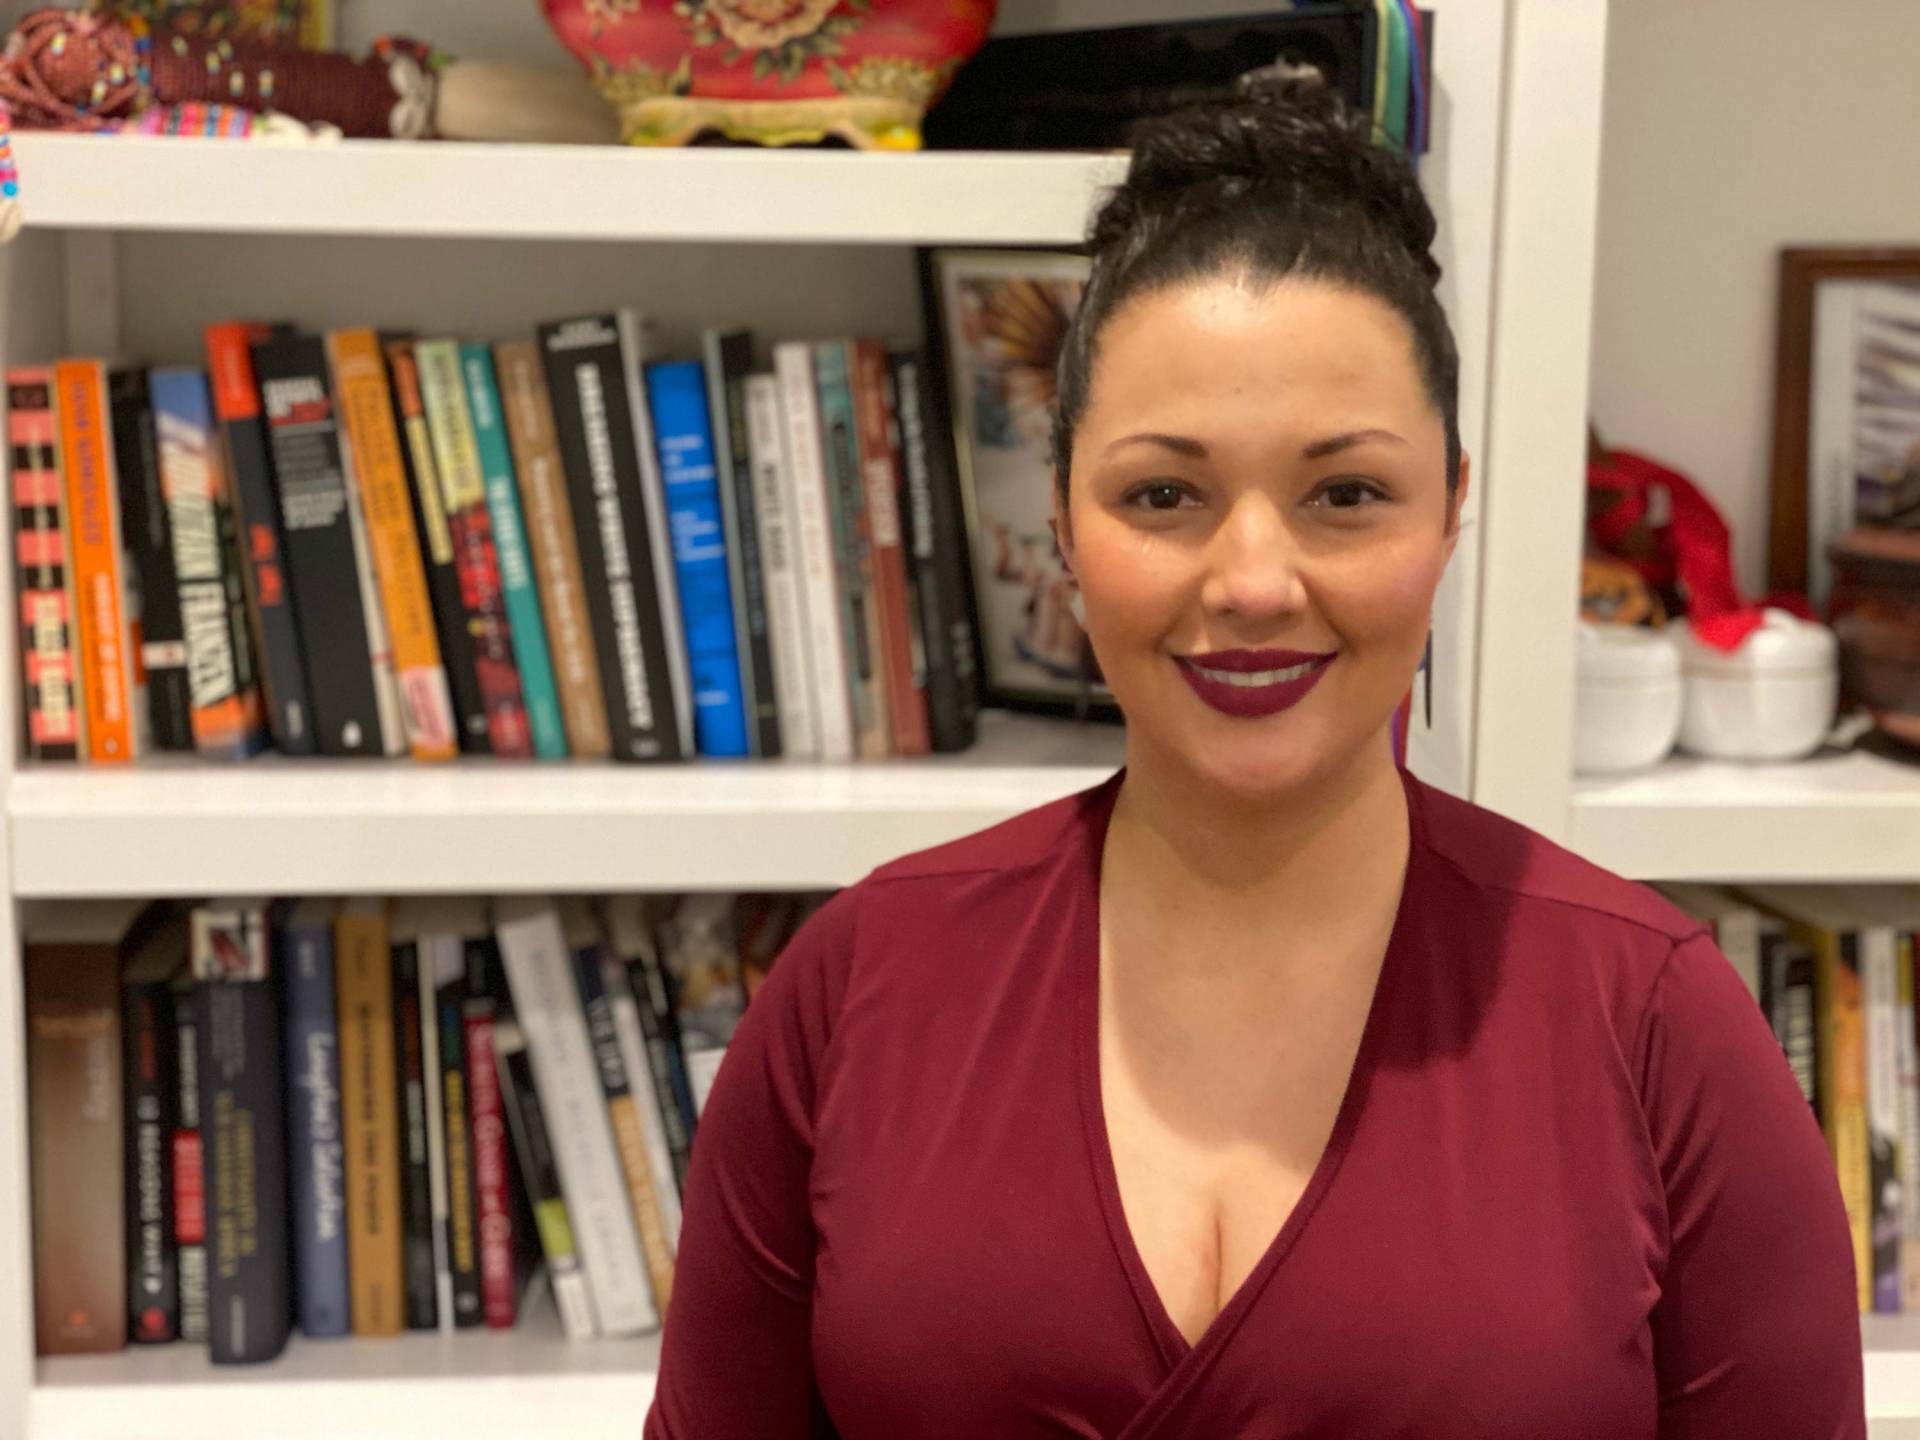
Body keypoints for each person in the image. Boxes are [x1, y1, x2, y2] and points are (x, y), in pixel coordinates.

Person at [646, 77, 1864, 1439]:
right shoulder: (852, 992)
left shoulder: (1661, 1032)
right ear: (1062, 516)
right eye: (1163, 494)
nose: (1252, 582)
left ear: (1452, 508)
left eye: (1345, 494)